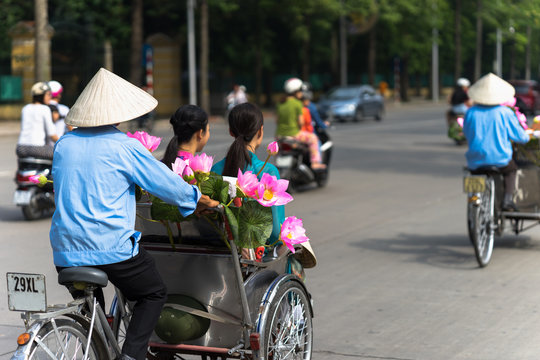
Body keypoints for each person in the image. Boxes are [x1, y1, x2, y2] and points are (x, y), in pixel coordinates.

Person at [49, 68, 219, 360]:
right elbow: (165, 184)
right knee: (152, 293)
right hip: (111, 249)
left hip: (65, 251)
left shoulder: (64, 144)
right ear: (117, 113)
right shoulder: (124, 146)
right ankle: (132, 356)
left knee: (95, 315)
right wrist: (198, 198)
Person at [212, 102, 285, 245]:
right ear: (260, 131)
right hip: (256, 258)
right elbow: (276, 232)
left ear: (231, 131)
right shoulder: (268, 172)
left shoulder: (215, 170)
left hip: (224, 250)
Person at [463, 73, 530, 212]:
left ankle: (473, 201)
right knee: (511, 170)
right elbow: (520, 137)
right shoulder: (505, 112)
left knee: (474, 177)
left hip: (475, 160)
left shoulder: (470, 112)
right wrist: (527, 137)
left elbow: (466, 133)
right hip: (500, 160)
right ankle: (507, 200)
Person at [276, 78, 326, 169]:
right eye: (300, 90)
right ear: (296, 91)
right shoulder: (297, 103)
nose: (302, 93)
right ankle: (315, 163)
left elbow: (277, 121)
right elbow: (301, 122)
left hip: (279, 135)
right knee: (314, 138)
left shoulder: (280, 103)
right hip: (294, 135)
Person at [16, 82, 58, 159]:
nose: (50, 97)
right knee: (59, 154)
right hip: (37, 148)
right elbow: (51, 134)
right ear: (41, 96)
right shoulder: (45, 109)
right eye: (48, 94)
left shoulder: (25, 108)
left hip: (20, 148)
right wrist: (62, 142)